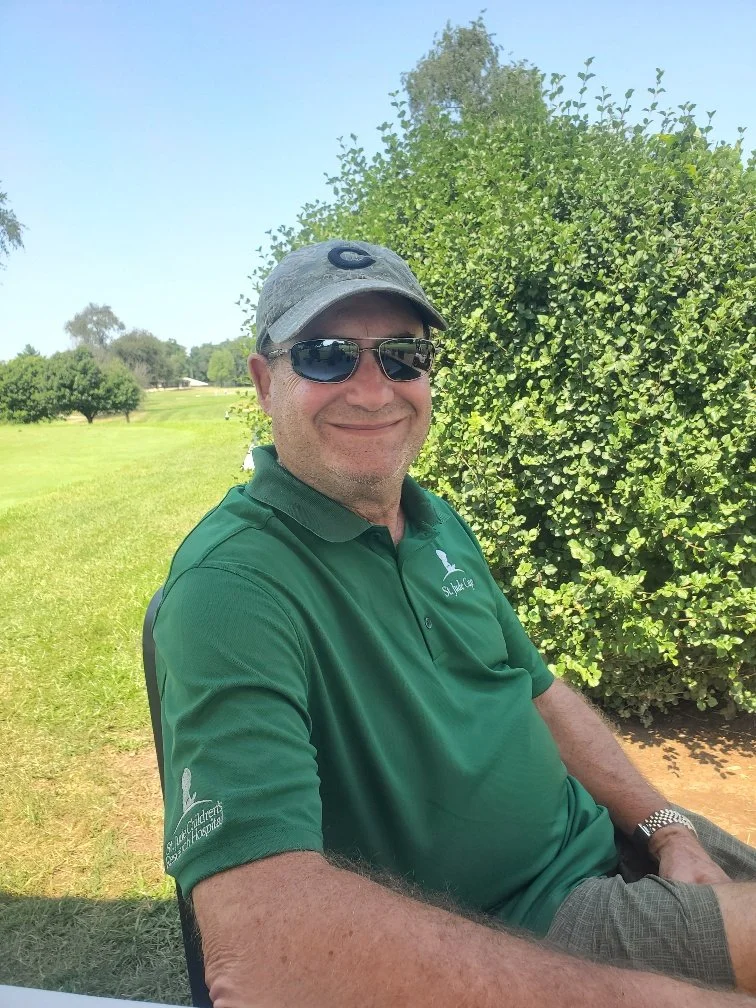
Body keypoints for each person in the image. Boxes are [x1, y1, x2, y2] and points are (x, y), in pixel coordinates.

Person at [153, 239, 756, 1007]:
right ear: (266, 381)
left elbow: (538, 693)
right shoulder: (232, 586)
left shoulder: (434, 521)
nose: (375, 390)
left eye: (403, 356)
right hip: (520, 932)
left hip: (612, 847)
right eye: (329, 355)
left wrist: (667, 828)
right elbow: (260, 951)